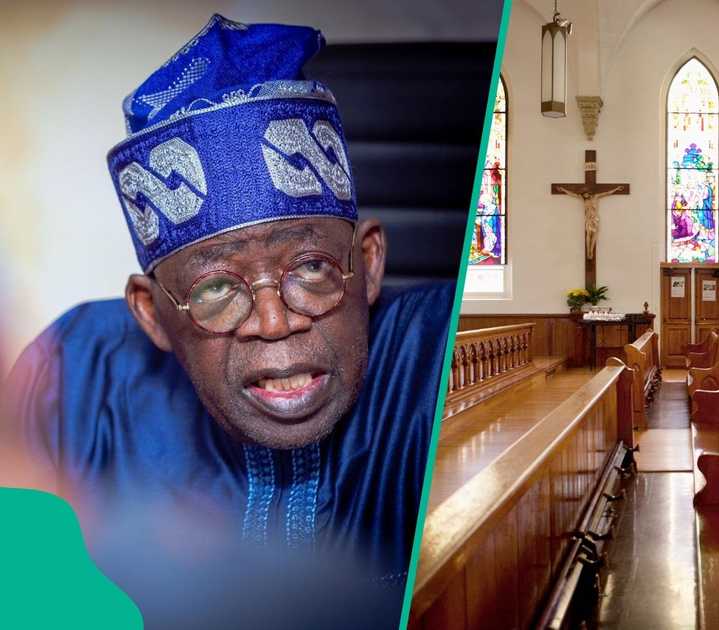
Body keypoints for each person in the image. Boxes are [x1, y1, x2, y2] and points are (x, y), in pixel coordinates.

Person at [1, 15, 452, 627]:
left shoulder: (445, 358)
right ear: (152, 314)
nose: (273, 322)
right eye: (216, 287)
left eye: (312, 267)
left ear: (368, 266)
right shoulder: (75, 377)